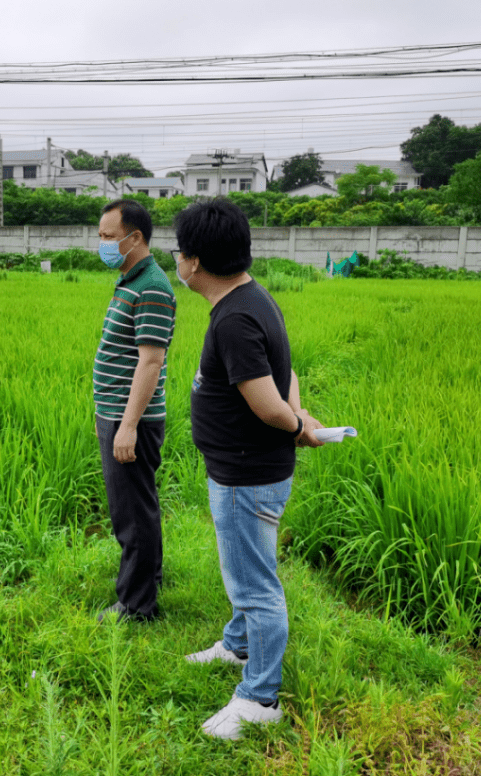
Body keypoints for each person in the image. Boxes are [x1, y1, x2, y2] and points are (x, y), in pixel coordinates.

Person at [174, 198, 324, 740]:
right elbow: (288, 374)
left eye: (178, 252)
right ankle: (238, 646)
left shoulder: (235, 317)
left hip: (246, 474)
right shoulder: (254, 299)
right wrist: (299, 414)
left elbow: (265, 401)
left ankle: (260, 697)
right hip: (246, 469)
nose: (178, 262)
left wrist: (294, 425)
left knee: (255, 583)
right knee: (245, 568)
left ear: (193, 262)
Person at [93, 199, 176, 623]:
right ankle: (150, 578)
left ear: (135, 237)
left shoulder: (153, 288)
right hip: (118, 414)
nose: (102, 243)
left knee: (131, 512)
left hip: (131, 420)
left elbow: (151, 361)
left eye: (109, 236)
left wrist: (127, 426)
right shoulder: (131, 279)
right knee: (139, 504)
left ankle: (136, 605)